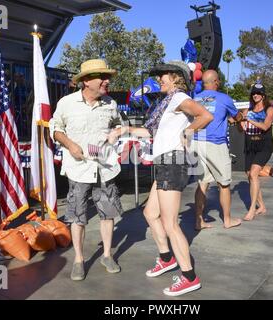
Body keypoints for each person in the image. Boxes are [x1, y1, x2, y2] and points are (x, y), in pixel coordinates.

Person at [108, 60, 213, 296]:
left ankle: (189, 277)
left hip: (172, 162)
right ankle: (167, 258)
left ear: (176, 78)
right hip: (165, 162)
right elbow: (151, 132)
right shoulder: (166, 103)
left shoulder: (178, 98)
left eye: (163, 75)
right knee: (150, 213)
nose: (159, 79)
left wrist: (188, 131)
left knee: (170, 223)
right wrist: (124, 130)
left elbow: (204, 115)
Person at [50, 59, 123, 281]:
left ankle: (107, 255)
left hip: (105, 168)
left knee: (107, 213)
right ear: (86, 81)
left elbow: (119, 124)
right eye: (102, 76)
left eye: (107, 76)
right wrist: (70, 145)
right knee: (78, 216)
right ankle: (79, 260)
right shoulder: (66, 103)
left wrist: (117, 132)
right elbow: (55, 128)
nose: (106, 81)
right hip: (78, 169)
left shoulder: (111, 104)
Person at [192, 69, 243, 230]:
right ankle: (227, 220)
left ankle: (198, 221)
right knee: (224, 183)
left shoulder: (195, 98)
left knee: (202, 183)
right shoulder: (224, 98)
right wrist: (241, 116)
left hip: (196, 143)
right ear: (216, 82)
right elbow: (236, 117)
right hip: (215, 144)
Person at [240, 83, 273, 221]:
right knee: (249, 175)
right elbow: (242, 128)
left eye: (258, 93)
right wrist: (239, 122)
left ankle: (252, 209)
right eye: (253, 93)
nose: (255, 95)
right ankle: (262, 206)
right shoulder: (247, 110)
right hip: (250, 144)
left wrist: (249, 119)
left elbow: (266, 126)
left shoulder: (269, 109)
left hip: (264, 145)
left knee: (254, 173)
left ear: (263, 95)